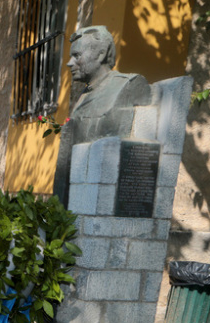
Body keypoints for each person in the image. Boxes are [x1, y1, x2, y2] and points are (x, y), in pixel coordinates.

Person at [53, 25, 151, 206]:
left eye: (77, 56)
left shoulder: (128, 85)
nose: (69, 63)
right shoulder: (86, 93)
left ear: (101, 54)